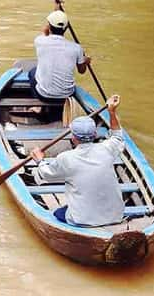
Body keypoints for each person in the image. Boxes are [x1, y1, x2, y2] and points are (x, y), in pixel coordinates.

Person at [29, 94, 126, 227]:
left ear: (73, 138)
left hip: (83, 220)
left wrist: (40, 160)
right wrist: (112, 112)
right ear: (95, 134)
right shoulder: (107, 149)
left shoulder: (66, 158)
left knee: (58, 214)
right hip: (116, 216)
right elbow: (117, 136)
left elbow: (47, 174)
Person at [28, 10, 90, 100]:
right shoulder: (77, 48)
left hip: (43, 95)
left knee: (32, 72)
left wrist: (47, 29)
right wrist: (85, 62)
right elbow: (82, 71)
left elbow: (46, 34)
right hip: (67, 96)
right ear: (66, 28)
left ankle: (38, 106)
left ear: (49, 26)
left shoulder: (39, 41)